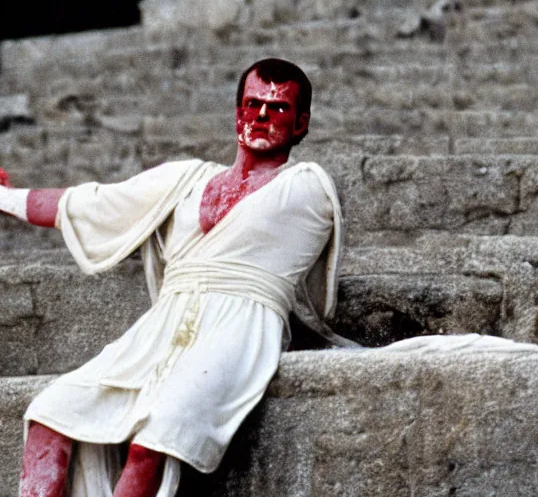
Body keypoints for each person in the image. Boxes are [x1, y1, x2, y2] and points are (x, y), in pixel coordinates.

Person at [1, 58, 357, 497]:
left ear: (302, 124)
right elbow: (90, 204)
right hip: (162, 328)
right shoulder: (186, 179)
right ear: (237, 114)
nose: (262, 115)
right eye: (252, 104)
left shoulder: (307, 186)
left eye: (278, 108)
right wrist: (6, 197)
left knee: (157, 436)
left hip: (238, 328)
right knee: (50, 411)